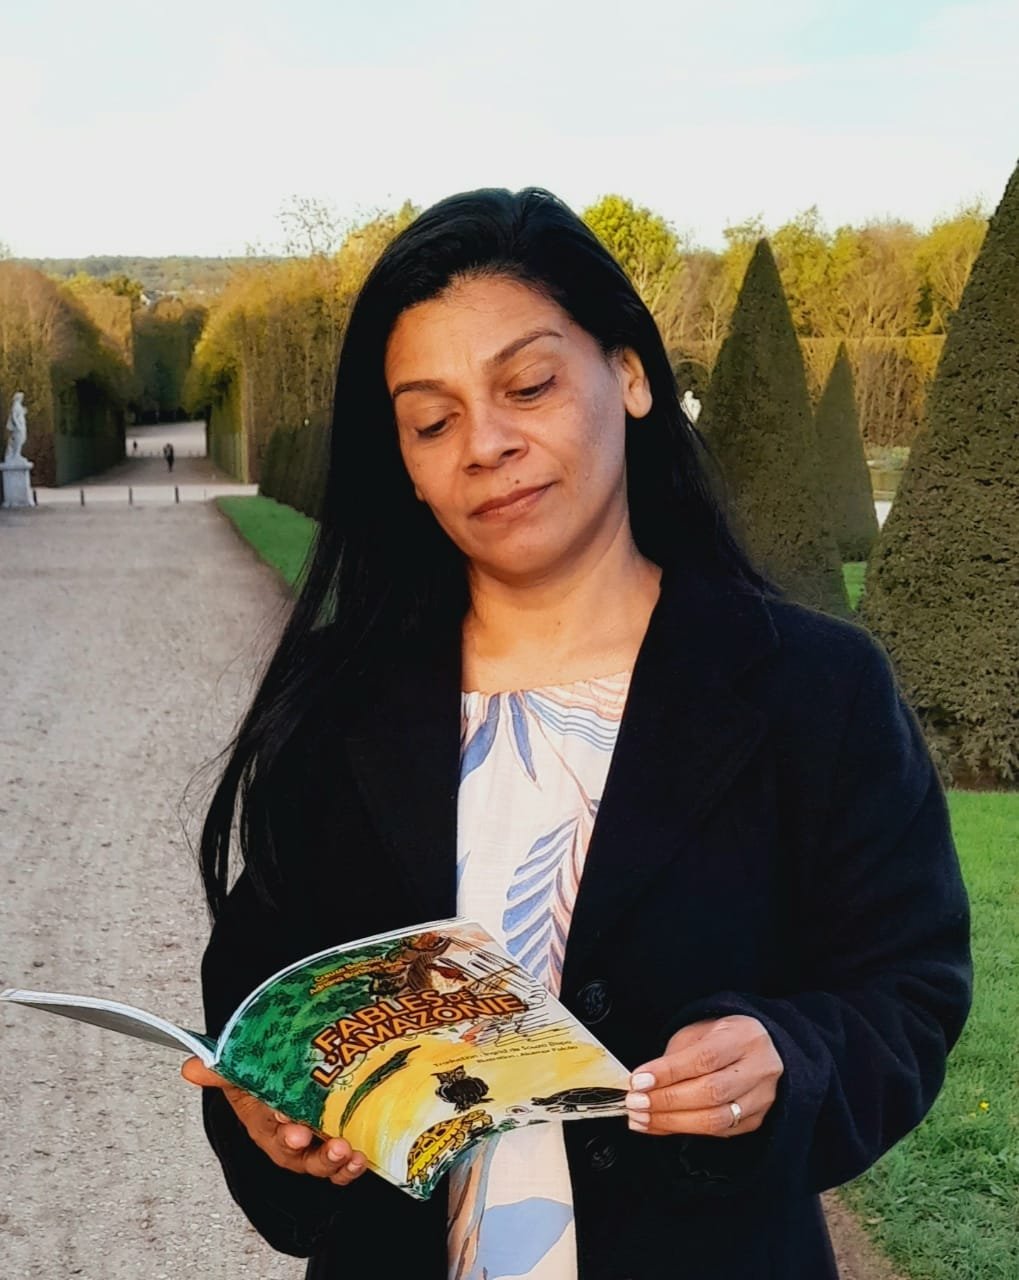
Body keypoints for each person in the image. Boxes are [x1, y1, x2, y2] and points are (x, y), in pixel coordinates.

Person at [180, 187, 971, 1280]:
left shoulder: (812, 689)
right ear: (403, 463)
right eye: (432, 420)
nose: (486, 445)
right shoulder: (336, 705)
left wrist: (785, 1058)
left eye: (529, 385)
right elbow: (259, 991)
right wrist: (272, 1119)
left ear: (631, 376)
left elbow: (905, 985)